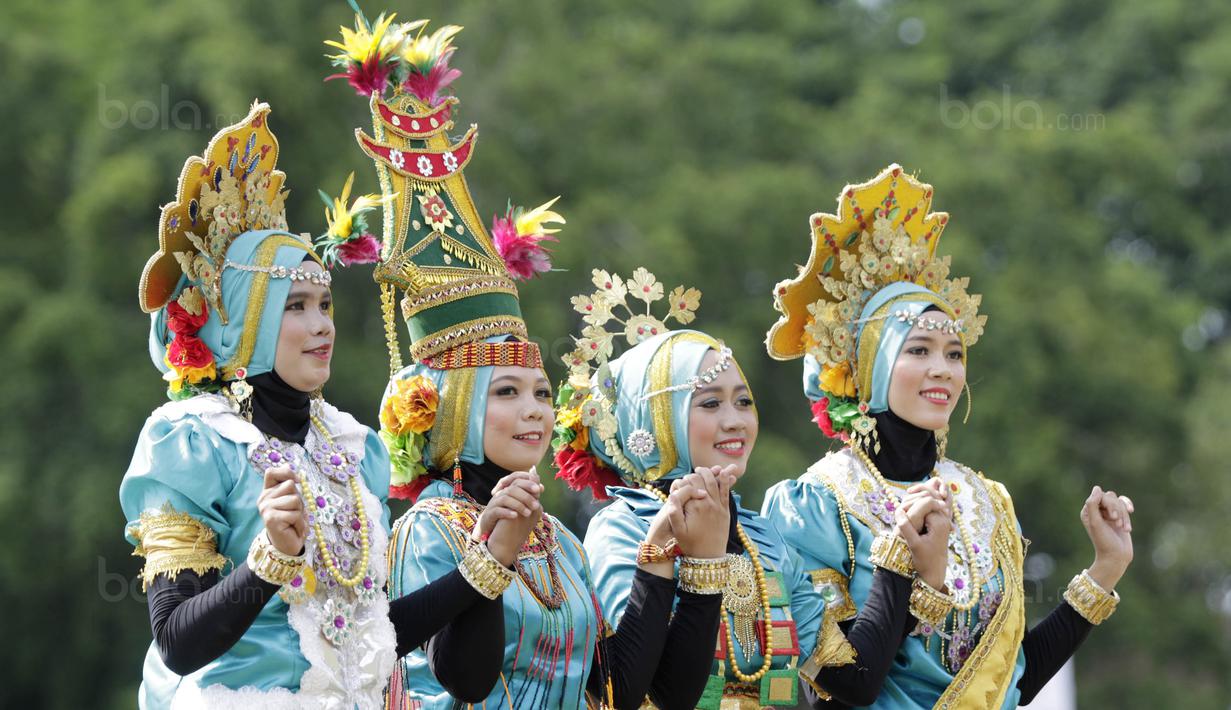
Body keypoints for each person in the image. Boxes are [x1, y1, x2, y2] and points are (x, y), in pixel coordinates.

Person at [326, 14, 725, 708]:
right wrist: (491, 556)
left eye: (541, 394)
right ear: (451, 407)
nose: (537, 411)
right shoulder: (428, 528)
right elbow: (465, 681)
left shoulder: (558, 539)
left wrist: (668, 560)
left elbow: (620, 691)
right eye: (507, 391)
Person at [760, 164, 1135, 708]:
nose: (944, 370)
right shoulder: (814, 505)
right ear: (868, 367)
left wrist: (1105, 569)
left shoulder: (986, 501)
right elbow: (847, 684)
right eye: (918, 350)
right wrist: (919, 576)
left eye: (954, 354)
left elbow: (1015, 681)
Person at [120, 102, 400, 708]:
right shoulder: (192, 441)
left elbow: (374, 630)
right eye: (295, 306)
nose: (321, 325)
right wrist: (269, 560)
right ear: (242, 325)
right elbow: (175, 640)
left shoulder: (352, 445)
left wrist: (485, 563)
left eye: (324, 305)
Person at [553, 267, 835, 709]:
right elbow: (647, 693)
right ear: (653, 423)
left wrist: (904, 571)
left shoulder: (762, 537)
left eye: (743, 401)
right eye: (709, 403)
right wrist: (703, 564)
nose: (736, 420)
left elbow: (846, 678)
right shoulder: (624, 531)